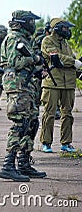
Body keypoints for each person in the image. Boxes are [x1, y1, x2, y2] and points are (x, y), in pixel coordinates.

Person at [0, 10, 47, 182]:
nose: (33, 24)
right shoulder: (14, 38)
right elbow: (14, 62)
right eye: (30, 21)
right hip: (18, 85)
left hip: (26, 85)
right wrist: (34, 59)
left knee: (31, 122)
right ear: (21, 22)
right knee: (20, 122)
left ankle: (24, 162)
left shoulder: (23, 39)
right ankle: (8, 165)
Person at [40, 18, 80, 153]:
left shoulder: (66, 44)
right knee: (49, 113)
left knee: (67, 114)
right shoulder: (47, 41)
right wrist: (74, 62)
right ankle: (46, 143)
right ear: (57, 28)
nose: (68, 31)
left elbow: (71, 61)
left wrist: (78, 66)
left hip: (68, 83)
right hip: (52, 82)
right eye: (66, 28)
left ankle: (66, 143)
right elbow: (57, 57)